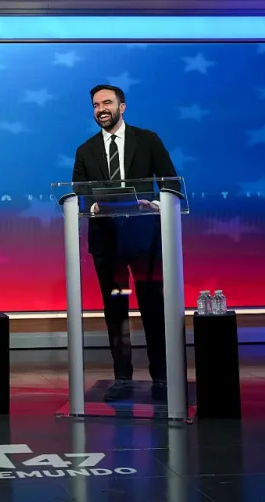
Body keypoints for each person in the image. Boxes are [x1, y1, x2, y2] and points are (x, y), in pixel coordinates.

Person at [72, 84, 179, 403]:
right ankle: (121, 377)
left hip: (145, 240)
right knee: (115, 311)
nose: (101, 109)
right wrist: (91, 205)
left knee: (152, 307)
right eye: (95, 105)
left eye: (107, 102)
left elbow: (171, 182)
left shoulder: (147, 140)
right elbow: (79, 192)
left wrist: (158, 204)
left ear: (123, 106)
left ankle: (162, 376)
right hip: (107, 242)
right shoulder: (86, 149)